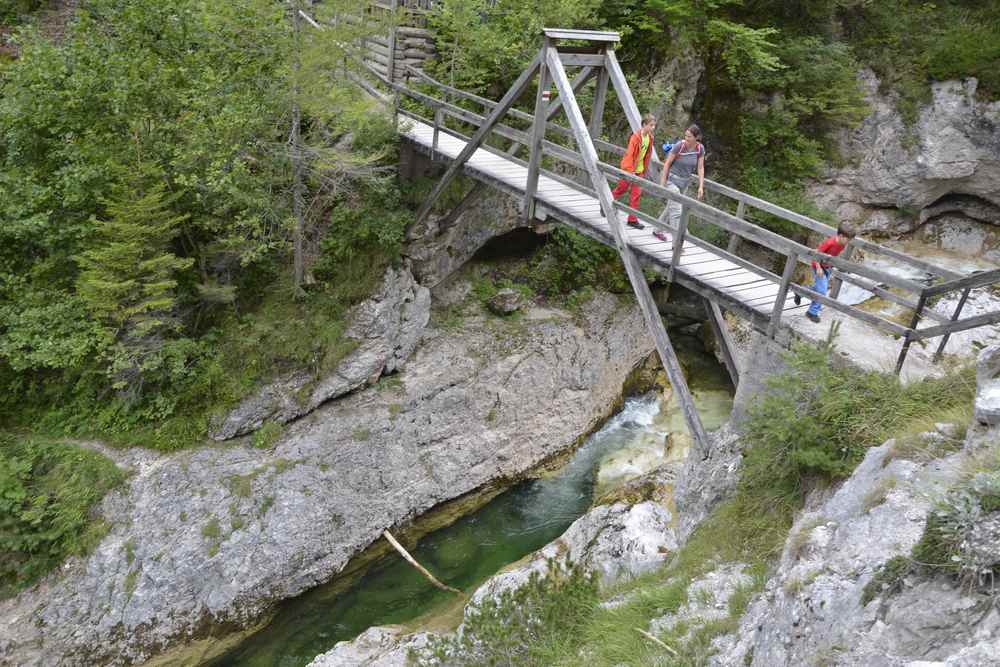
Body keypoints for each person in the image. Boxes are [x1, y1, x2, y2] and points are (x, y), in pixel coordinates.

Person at [795, 223, 857, 323]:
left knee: (818, 288)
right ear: (841, 236)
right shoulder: (829, 243)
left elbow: (832, 255)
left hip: (827, 267)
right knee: (822, 291)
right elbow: (816, 255)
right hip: (818, 267)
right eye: (848, 239)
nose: (849, 242)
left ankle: (800, 292)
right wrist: (819, 268)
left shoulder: (842, 244)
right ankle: (812, 312)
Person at [655, 124, 706, 241]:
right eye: (685, 136)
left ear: (696, 137)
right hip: (671, 180)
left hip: (684, 183)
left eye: (689, 136)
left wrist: (701, 187)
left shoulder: (700, 149)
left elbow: (700, 168)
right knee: (676, 211)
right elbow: (667, 164)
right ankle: (677, 242)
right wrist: (662, 184)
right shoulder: (679, 146)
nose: (686, 138)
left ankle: (657, 229)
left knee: (671, 207)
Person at [612, 114, 657, 229]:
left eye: (654, 126)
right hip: (629, 170)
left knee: (636, 195)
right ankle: (605, 203)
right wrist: (629, 171)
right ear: (644, 125)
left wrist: (644, 170)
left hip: (640, 171)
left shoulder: (650, 138)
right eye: (651, 125)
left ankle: (632, 219)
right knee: (621, 190)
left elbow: (647, 155)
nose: (653, 128)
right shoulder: (635, 137)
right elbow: (630, 154)